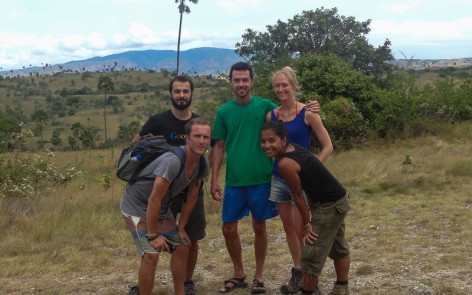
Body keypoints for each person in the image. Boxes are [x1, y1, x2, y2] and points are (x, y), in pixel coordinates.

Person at [210, 62, 320, 294]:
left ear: (252, 81)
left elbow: (291, 110)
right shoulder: (223, 112)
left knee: (259, 226)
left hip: (262, 178)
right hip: (234, 180)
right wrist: (214, 179)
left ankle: (259, 276)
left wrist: (312, 107)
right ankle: (239, 273)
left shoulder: (266, 108)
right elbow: (218, 147)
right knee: (228, 229)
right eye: (236, 79)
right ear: (230, 81)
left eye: (245, 79)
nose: (241, 84)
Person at [130, 75, 206, 295]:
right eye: (177, 91)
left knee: (189, 237)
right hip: (163, 191)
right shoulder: (157, 121)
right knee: (152, 241)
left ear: (192, 94)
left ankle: (186, 281)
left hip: (191, 187)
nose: (182, 95)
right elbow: (135, 145)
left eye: (185, 91)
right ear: (170, 94)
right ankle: (144, 283)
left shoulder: (199, 122)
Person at [260, 121, 351, 295]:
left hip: (330, 205)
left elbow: (298, 195)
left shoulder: (285, 163)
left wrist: (307, 223)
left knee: (310, 254)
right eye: (263, 141)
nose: (266, 145)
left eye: (272, 140)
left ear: (283, 140)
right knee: (337, 246)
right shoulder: (293, 148)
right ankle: (341, 288)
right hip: (338, 199)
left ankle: (311, 291)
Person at [266, 66, 333, 294]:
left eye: (285, 85)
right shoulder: (271, 115)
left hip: (301, 181)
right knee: (288, 228)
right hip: (278, 177)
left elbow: (328, 146)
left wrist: (311, 169)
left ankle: (309, 278)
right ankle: (298, 271)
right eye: (277, 85)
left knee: (304, 228)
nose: (281, 89)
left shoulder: (308, 113)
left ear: (294, 86)